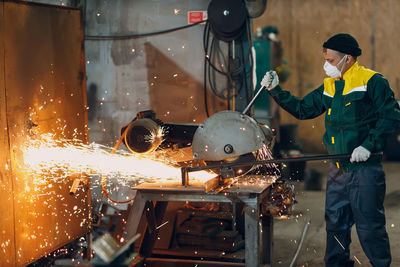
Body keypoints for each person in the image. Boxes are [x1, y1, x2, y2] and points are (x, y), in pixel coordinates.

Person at [261, 33, 400, 267]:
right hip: (337, 171)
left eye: (332, 61)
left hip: (365, 171)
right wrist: (276, 90)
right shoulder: (329, 86)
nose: (327, 65)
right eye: (326, 60)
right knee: (336, 224)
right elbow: (303, 109)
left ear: (349, 58)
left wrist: (369, 144)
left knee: (369, 226)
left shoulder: (373, 82)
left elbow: (392, 118)